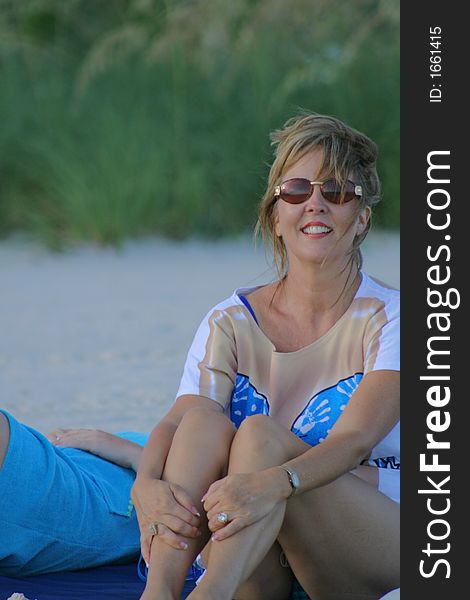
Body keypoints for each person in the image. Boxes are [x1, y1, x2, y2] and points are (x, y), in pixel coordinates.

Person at [131, 112, 400, 600]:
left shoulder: (393, 317)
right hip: (256, 540)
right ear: (277, 216)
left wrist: (278, 482)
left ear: (361, 218)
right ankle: (161, 591)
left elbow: (356, 439)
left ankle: (210, 594)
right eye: (296, 190)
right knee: (203, 424)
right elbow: (178, 423)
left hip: (369, 539)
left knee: (258, 436)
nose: (314, 203)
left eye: (336, 191)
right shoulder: (229, 319)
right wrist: (145, 483)